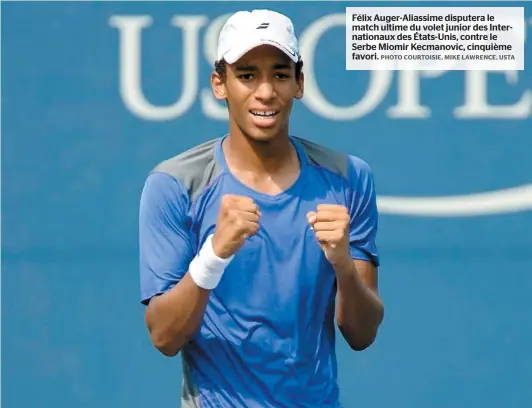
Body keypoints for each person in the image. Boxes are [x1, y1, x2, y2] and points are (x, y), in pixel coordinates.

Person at [138, 8, 384, 408]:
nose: (266, 92)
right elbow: (164, 336)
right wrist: (214, 254)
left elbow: (362, 333)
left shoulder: (349, 178)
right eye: (247, 74)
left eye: (280, 74)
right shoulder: (174, 185)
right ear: (220, 84)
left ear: (299, 83)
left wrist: (342, 264)